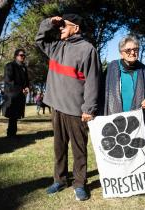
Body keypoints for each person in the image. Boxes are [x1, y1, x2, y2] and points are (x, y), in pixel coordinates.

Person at [36, 13, 101, 201]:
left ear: (76, 28)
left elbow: (93, 81)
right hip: (56, 107)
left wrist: (89, 108)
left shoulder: (88, 50)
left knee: (79, 149)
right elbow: (40, 39)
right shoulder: (55, 46)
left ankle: (80, 183)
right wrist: (49, 22)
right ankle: (60, 179)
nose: (61, 28)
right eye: (60, 25)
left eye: (65, 25)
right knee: (59, 147)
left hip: (76, 110)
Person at [100, 35, 145, 200]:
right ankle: (119, 185)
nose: (132, 52)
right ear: (121, 52)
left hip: (140, 119)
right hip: (116, 119)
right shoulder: (111, 68)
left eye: (136, 49)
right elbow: (101, 91)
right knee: (118, 155)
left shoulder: (144, 70)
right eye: (128, 50)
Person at [3, 49, 29, 138]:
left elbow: (26, 81)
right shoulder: (10, 65)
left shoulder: (24, 67)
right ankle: (10, 134)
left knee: (17, 115)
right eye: (21, 55)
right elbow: (8, 80)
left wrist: (26, 87)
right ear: (16, 56)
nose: (23, 57)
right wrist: (20, 88)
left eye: (24, 55)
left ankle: (13, 133)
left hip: (20, 94)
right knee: (13, 115)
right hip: (12, 94)